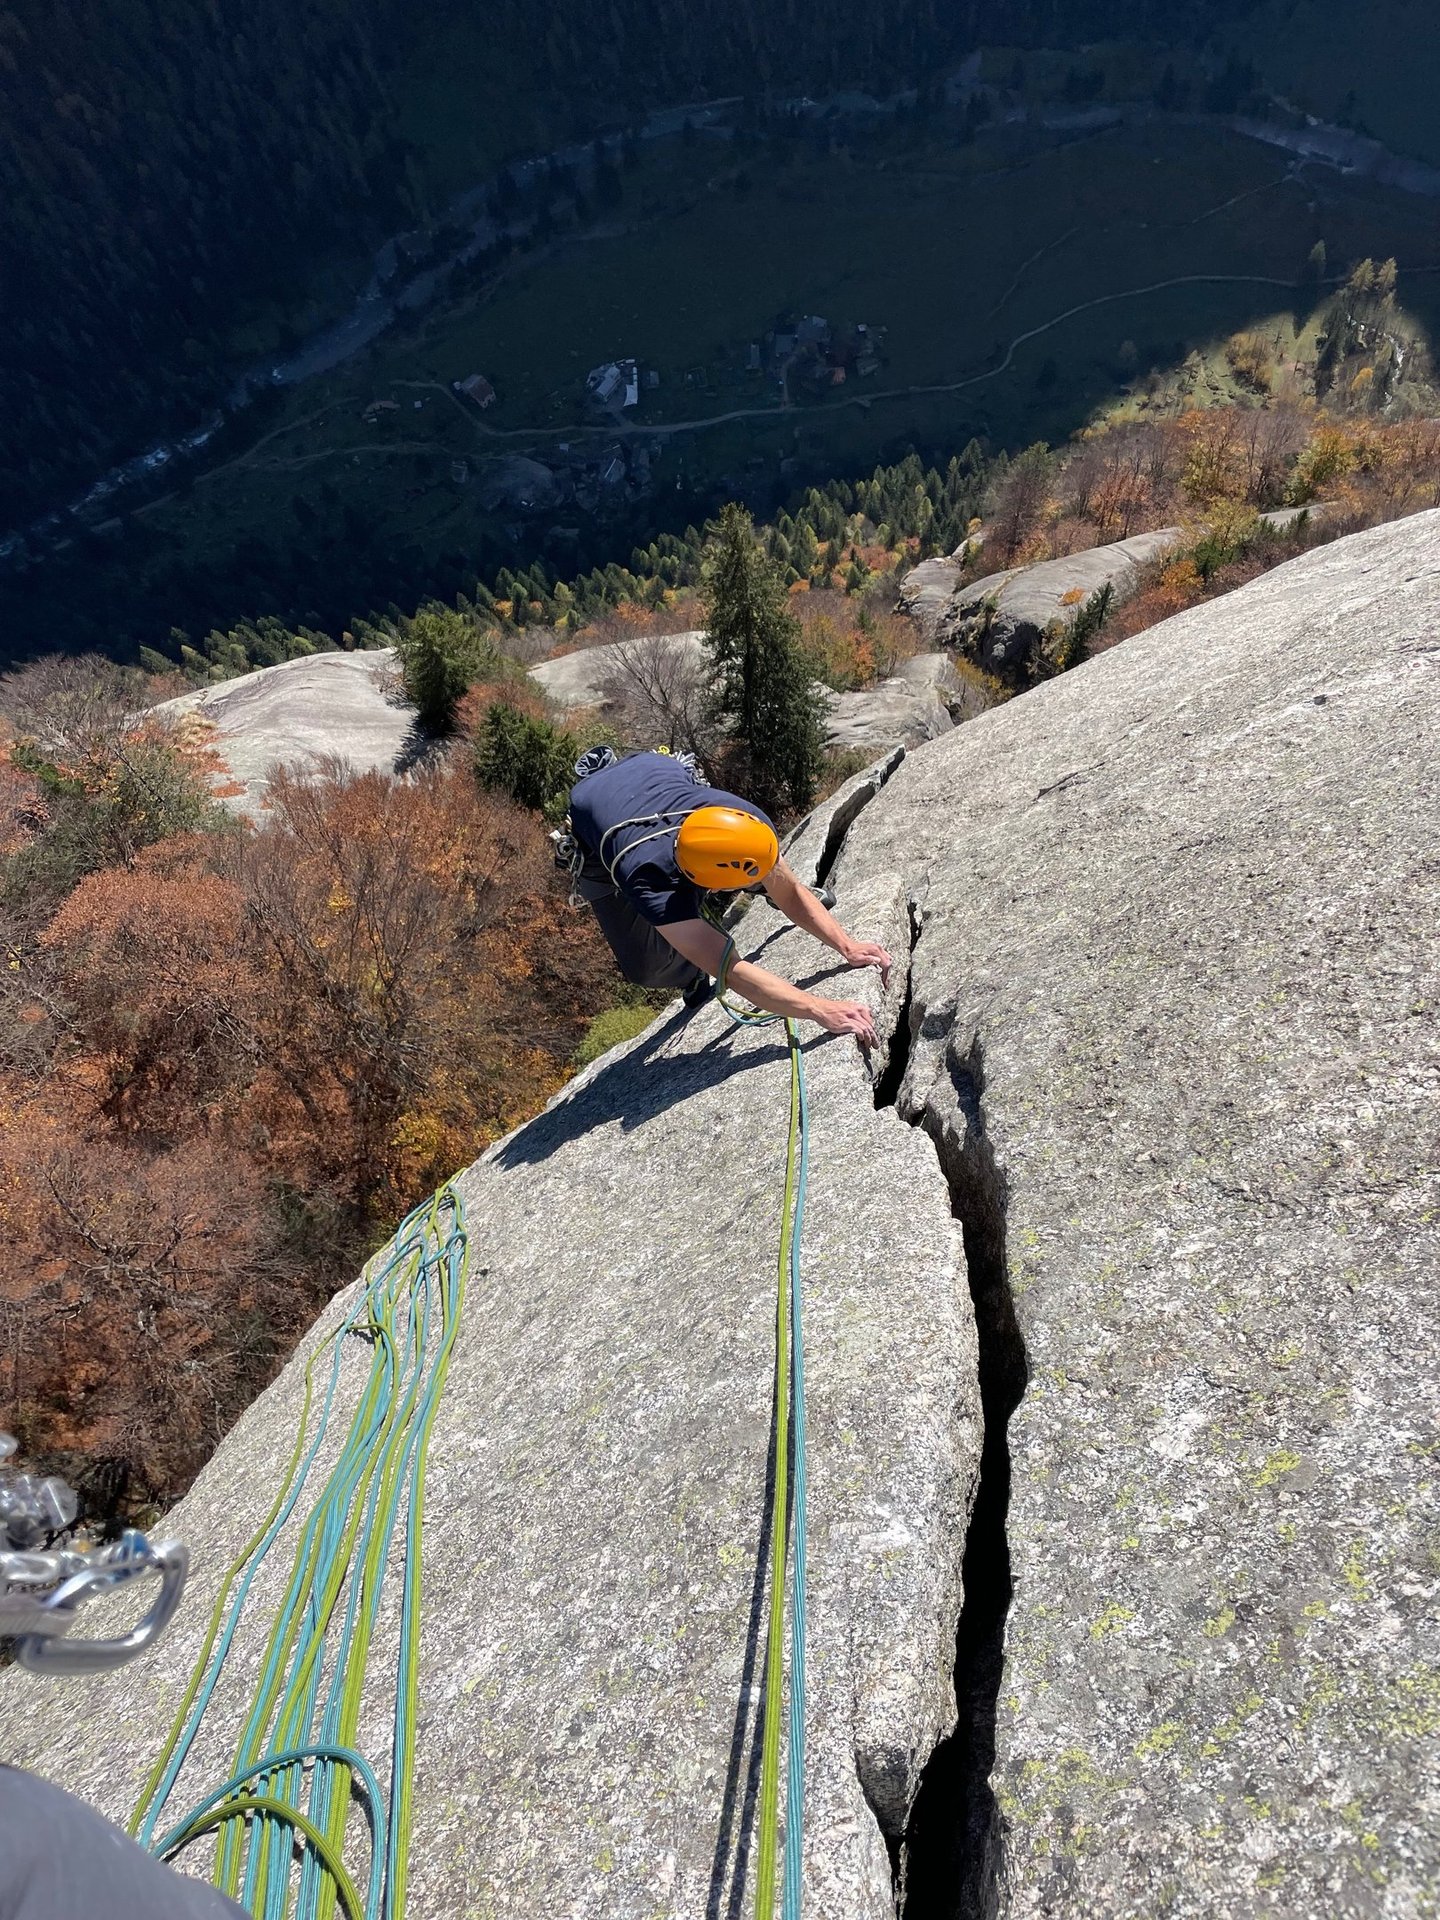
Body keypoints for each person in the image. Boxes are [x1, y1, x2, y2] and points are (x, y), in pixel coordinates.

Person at [562, 749, 890, 1043]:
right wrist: (818, 1009)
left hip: (650, 772)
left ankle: (762, 884)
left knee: (767, 872)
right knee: (645, 967)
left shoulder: (743, 820)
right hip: (595, 832)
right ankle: (688, 971)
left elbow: (790, 894)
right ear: (706, 885)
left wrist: (847, 946)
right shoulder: (649, 881)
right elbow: (730, 969)